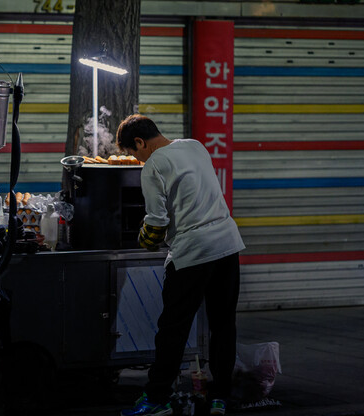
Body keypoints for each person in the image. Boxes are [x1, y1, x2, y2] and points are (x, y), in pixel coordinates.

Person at [115, 114, 245, 416]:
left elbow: (156, 224)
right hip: (227, 244)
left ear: (140, 142)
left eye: (134, 153)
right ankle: (219, 398)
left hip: (193, 252)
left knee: (172, 329)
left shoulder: (152, 166)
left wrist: (145, 240)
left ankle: (157, 399)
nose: (136, 159)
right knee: (223, 325)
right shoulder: (196, 146)